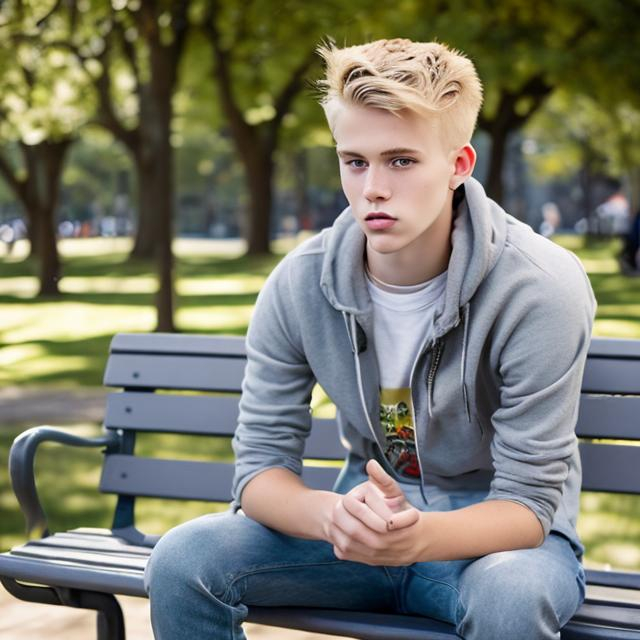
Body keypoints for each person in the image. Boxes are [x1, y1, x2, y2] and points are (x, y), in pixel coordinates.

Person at [144, 38, 597, 639]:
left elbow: (529, 506)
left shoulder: (541, 288)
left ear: (460, 165)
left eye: (401, 161)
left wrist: (418, 538)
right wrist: (335, 516)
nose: (372, 188)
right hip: (358, 524)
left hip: (493, 543)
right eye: (354, 161)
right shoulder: (300, 283)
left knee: (513, 598)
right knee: (182, 560)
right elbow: (258, 471)